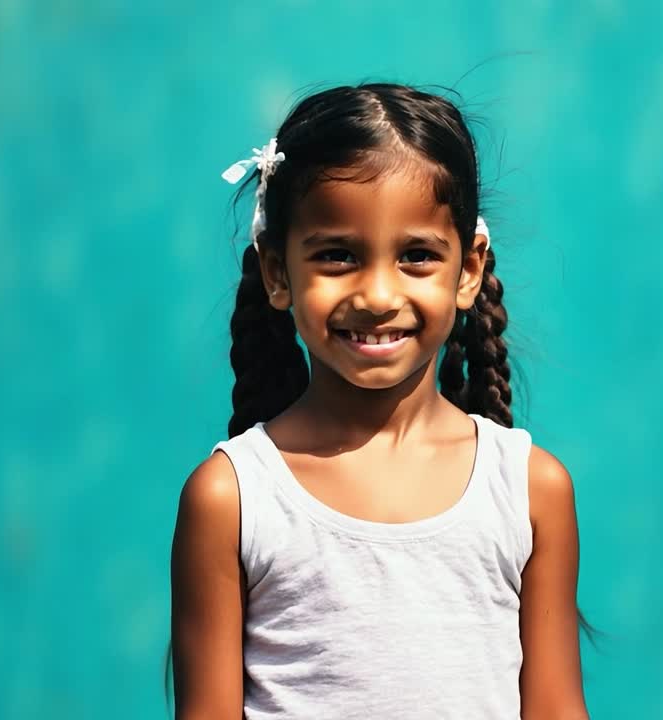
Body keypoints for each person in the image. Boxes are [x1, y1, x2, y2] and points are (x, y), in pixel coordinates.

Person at [169, 83, 589, 719]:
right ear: (278, 271)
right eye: (337, 255)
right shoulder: (230, 500)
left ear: (469, 269)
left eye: (417, 255)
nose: (377, 294)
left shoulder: (531, 490)